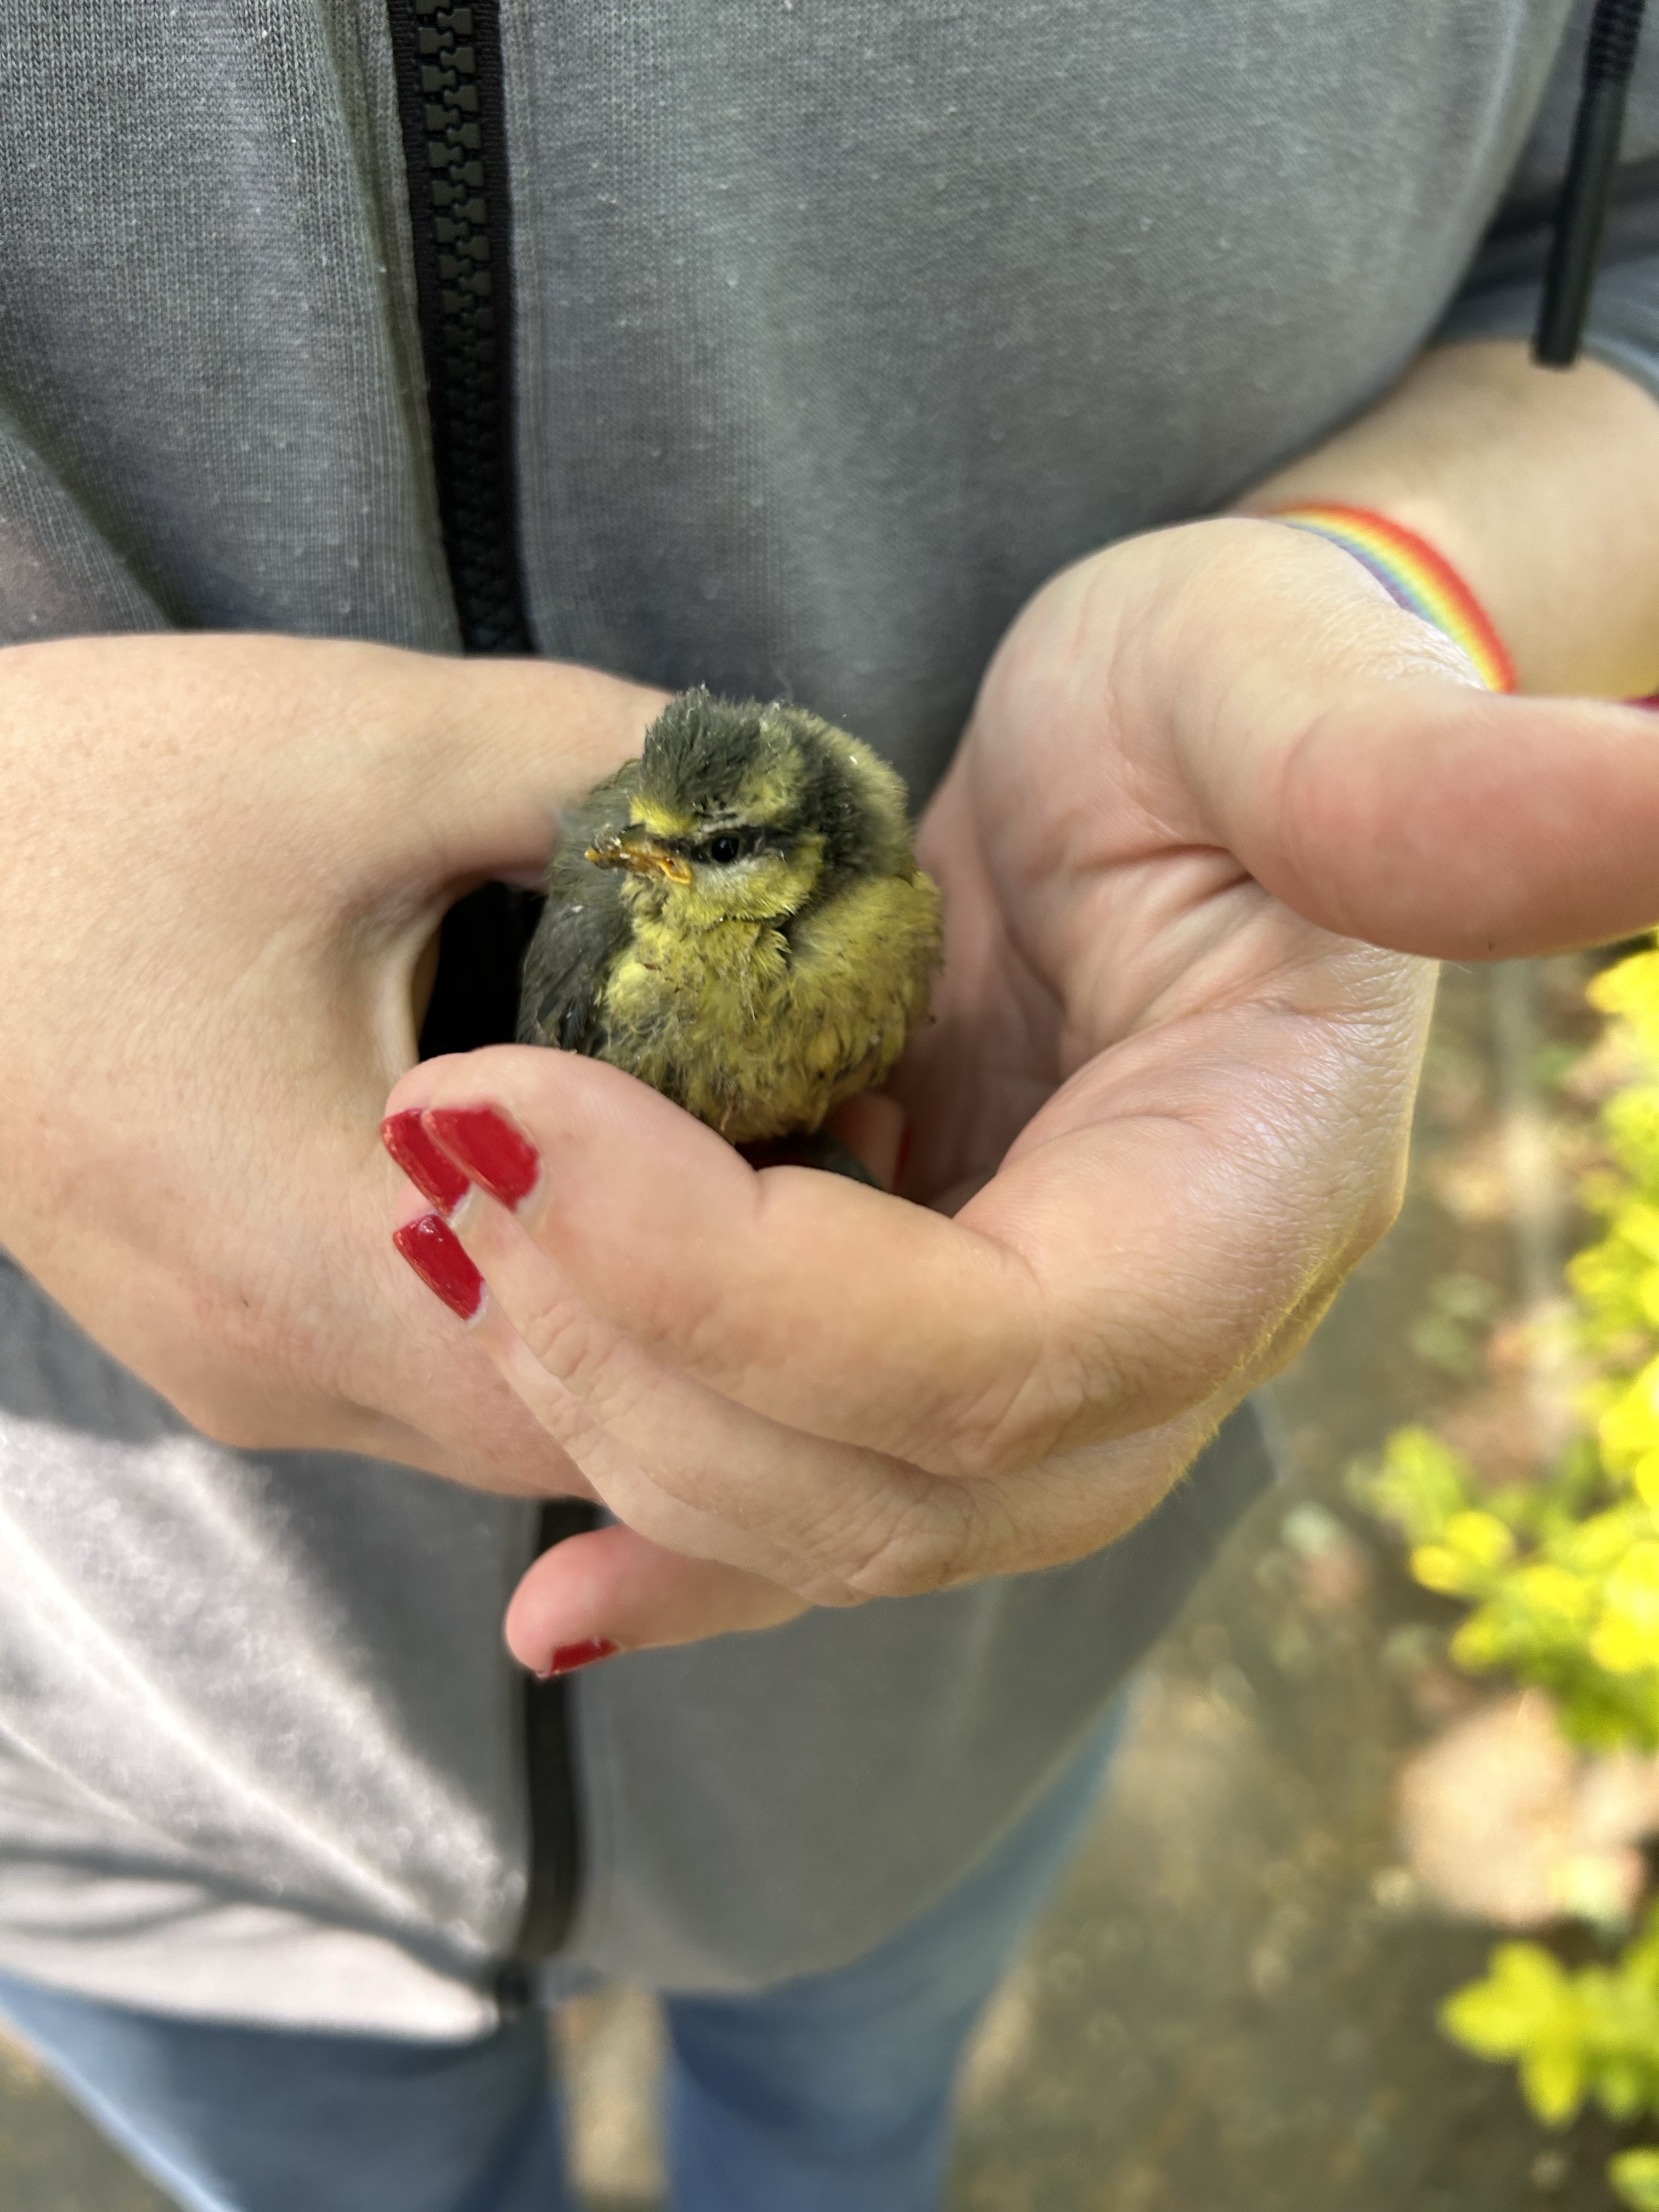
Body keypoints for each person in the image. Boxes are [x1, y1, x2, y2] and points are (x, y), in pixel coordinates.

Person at [0, 4, 1656, 2208]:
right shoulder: (631, 933)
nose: (625, 873)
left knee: (843, 2138)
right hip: (134, 1770)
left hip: (931, 1705)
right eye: (632, 854)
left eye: (696, 859)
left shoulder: (886, 945)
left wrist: (1392, 595)